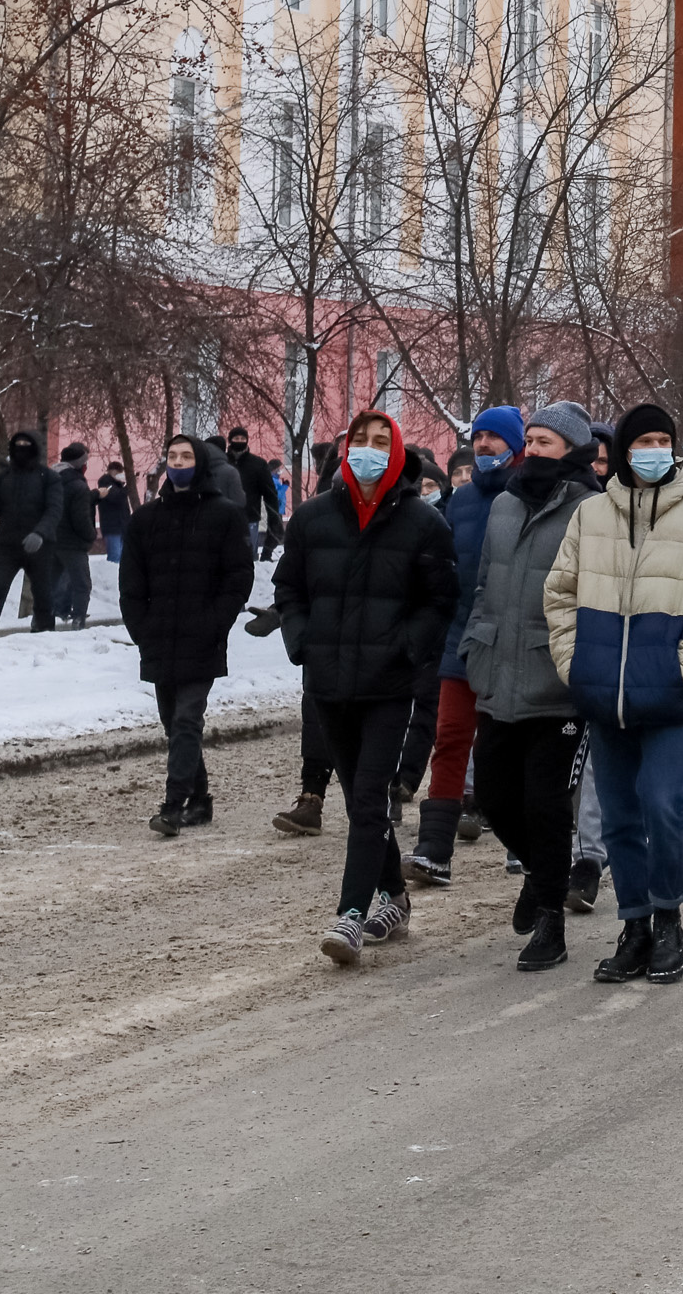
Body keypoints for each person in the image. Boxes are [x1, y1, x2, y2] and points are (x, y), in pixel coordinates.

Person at [547, 403, 683, 985]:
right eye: (643, 441)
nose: (653, 450)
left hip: (668, 697)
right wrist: (574, 663)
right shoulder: (591, 515)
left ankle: (668, 918)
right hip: (604, 695)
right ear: (624, 451)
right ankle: (633, 924)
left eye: (664, 439)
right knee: (619, 819)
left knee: (663, 805)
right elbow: (560, 596)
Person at [274, 411, 459, 965]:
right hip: (327, 681)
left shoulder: (424, 524)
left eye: (383, 442)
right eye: (361, 440)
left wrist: (406, 647)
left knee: (371, 798)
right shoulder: (311, 519)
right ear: (346, 448)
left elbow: (440, 600)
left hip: (388, 685)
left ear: (399, 454)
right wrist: (302, 639)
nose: (370, 450)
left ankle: (351, 914)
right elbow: (289, 587)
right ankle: (396, 899)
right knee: (360, 801)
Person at [457, 408, 604, 970]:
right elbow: (483, 585)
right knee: (494, 798)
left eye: (546, 441)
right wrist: (476, 643)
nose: (534, 450)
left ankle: (551, 922)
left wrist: (581, 661)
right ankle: (549, 871)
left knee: (545, 804)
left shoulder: (592, 509)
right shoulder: (503, 503)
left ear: (571, 449)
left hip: (558, 683)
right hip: (498, 674)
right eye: (532, 440)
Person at [407, 405, 525, 890]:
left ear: (515, 446)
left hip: (516, 641)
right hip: (461, 638)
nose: (483, 446)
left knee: (512, 747)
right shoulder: (460, 501)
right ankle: (435, 850)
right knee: (451, 738)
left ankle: (523, 844)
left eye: (494, 438)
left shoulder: (532, 495)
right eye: (478, 437)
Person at [123, 436, 254, 835]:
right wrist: (141, 628)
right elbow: (131, 580)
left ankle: (172, 804)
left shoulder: (225, 515)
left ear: (200, 464)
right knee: (171, 720)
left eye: (187, 456)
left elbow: (238, 577)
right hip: (159, 636)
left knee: (186, 720)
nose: (179, 463)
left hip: (202, 638)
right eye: (173, 457)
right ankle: (199, 798)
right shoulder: (146, 519)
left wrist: (215, 623)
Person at [0, 431, 61, 639]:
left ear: (34, 448)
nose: (22, 448)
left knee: (42, 593)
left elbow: (54, 510)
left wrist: (40, 533)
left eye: (26, 444)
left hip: (40, 546)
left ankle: (45, 634)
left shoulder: (48, 477)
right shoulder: (3, 478)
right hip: (7, 545)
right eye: (18, 444)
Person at [48, 442, 97, 629]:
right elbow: (80, 519)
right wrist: (91, 535)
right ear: (79, 464)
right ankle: (78, 621)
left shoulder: (51, 480)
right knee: (82, 585)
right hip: (74, 545)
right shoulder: (78, 486)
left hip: (53, 541)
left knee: (52, 583)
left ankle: (44, 620)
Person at [225, 426, 282, 558]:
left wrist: (273, 519)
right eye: (236, 438)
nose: (239, 441)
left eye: (242, 438)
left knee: (248, 558)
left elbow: (269, 494)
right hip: (224, 517)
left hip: (249, 518)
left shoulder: (258, 464)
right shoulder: (223, 462)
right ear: (230, 440)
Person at [95, 459, 132, 566]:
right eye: (120, 473)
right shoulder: (106, 483)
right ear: (114, 472)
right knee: (115, 557)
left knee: (120, 557)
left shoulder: (117, 485)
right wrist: (127, 487)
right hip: (112, 526)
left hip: (120, 526)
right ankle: (111, 578)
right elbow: (116, 498)